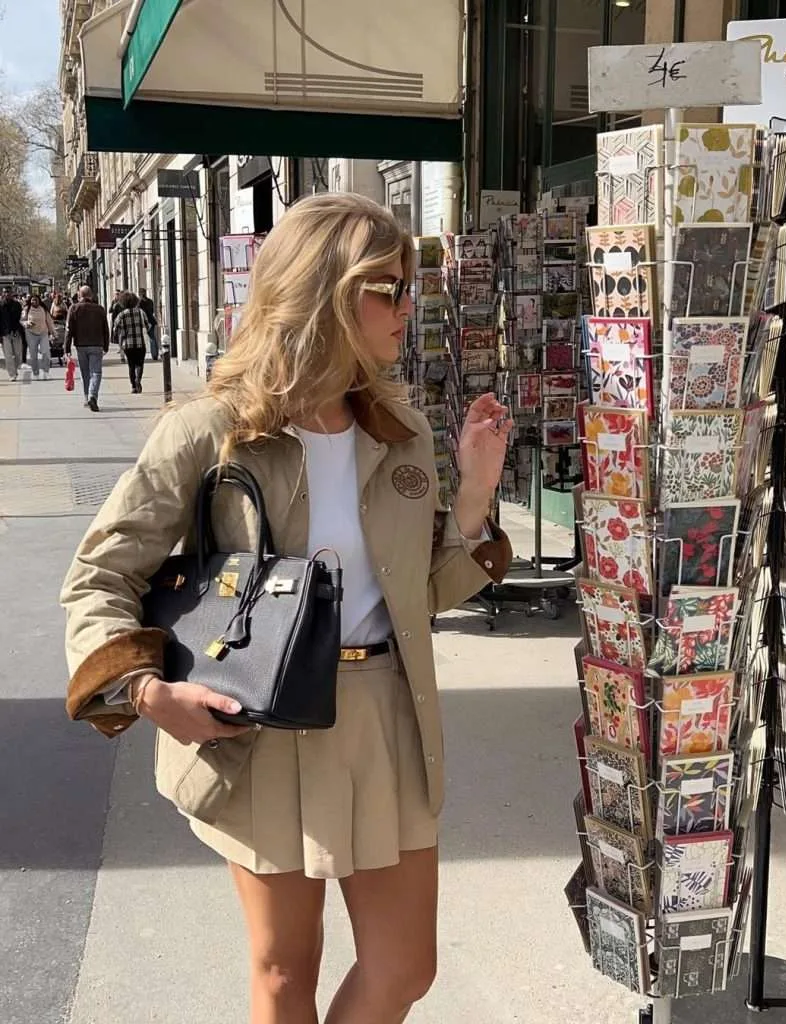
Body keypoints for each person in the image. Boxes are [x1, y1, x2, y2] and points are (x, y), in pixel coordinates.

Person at [60, 193, 513, 1024]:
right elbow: (101, 576)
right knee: (282, 973)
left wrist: (476, 497)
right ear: (326, 291)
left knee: (405, 966)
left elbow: (415, 598)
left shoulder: (400, 431)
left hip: (387, 719)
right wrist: (148, 694)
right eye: (389, 287)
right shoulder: (212, 432)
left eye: (409, 284)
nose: (407, 307)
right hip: (259, 728)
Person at [66, 285, 109, 411]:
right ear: (91, 295)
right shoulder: (100, 309)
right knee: (96, 372)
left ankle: (86, 397)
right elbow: (105, 329)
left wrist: (66, 348)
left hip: (81, 345)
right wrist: (106, 345)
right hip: (97, 344)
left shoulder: (74, 308)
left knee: (85, 372)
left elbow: (69, 330)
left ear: (80, 295)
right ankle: (92, 396)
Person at [112, 291, 149, 394]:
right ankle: (138, 380)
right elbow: (148, 325)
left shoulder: (121, 315)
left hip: (127, 344)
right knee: (140, 364)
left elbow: (115, 328)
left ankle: (133, 386)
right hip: (140, 343)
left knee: (131, 365)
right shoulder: (140, 312)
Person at [22, 293, 55, 379]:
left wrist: (54, 333)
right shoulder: (27, 309)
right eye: (33, 300)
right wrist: (27, 324)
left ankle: (46, 372)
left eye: (36, 300)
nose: (34, 301)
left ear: (39, 301)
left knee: (46, 353)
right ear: (30, 301)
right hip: (31, 334)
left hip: (43, 333)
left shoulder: (43, 309)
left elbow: (49, 322)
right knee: (33, 355)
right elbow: (22, 320)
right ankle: (35, 373)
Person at [0, 288, 24, 381]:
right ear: (3, 293)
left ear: (12, 293)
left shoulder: (17, 305)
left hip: (16, 332)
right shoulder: (1, 305)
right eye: (5, 292)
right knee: (8, 355)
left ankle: (15, 368)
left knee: (18, 355)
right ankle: (12, 374)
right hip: (5, 333)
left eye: (9, 292)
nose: (7, 294)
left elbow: (19, 319)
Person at [138, 287, 158, 360]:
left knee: (144, 339)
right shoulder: (150, 301)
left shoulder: (139, 302)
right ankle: (155, 354)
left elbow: (140, 312)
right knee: (153, 338)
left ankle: (146, 354)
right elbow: (152, 311)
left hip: (144, 322)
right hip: (151, 321)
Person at [109, 291, 126, 363]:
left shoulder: (124, 304)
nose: (117, 296)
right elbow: (111, 312)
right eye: (116, 294)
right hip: (120, 325)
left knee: (123, 341)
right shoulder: (115, 304)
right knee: (121, 341)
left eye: (118, 295)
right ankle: (122, 356)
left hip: (124, 324)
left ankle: (123, 355)